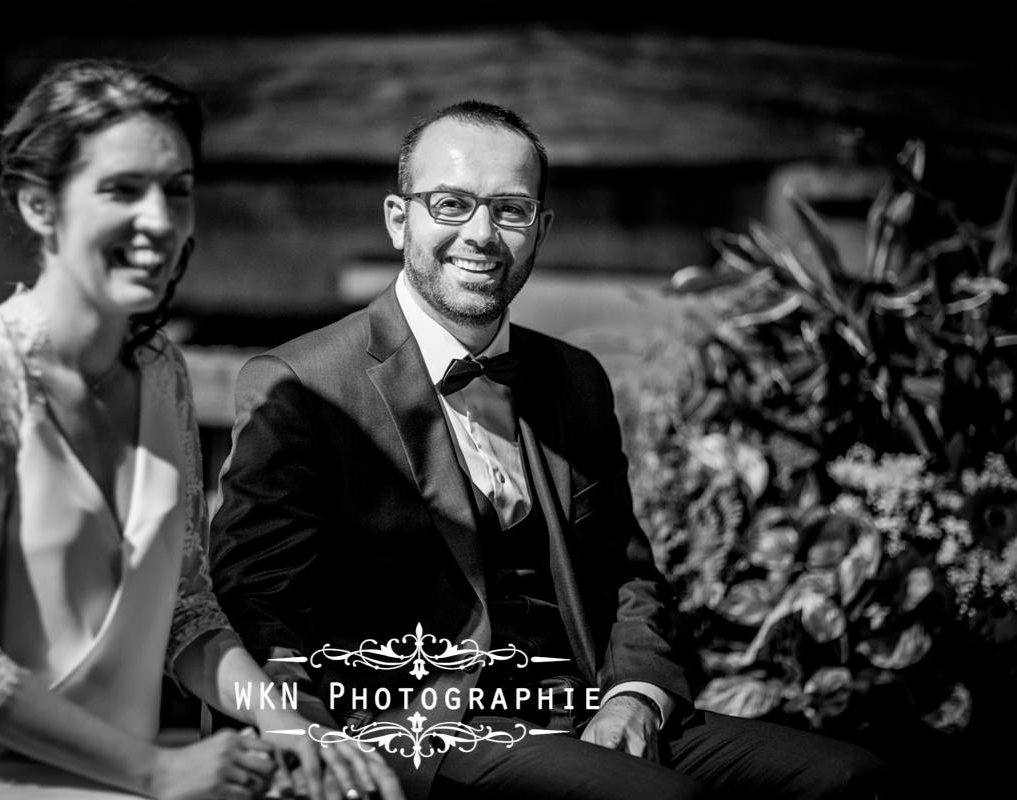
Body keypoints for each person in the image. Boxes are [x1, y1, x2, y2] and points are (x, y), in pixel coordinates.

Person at [209, 100, 890, 799]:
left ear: (542, 228)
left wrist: (636, 695)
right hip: (423, 727)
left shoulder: (574, 379)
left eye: (510, 209)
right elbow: (257, 602)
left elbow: (628, 576)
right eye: (450, 204)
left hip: (584, 706)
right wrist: (309, 743)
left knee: (847, 779)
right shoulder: (303, 382)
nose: (481, 234)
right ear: (397, 219)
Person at [0, 59, 400, 800]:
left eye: (178, 190)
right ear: (40, 206)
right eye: (122, 190)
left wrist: (289, 722)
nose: (160, 221)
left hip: (114, 777)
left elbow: (187, 610)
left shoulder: (163, 373)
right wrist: (161, 769)